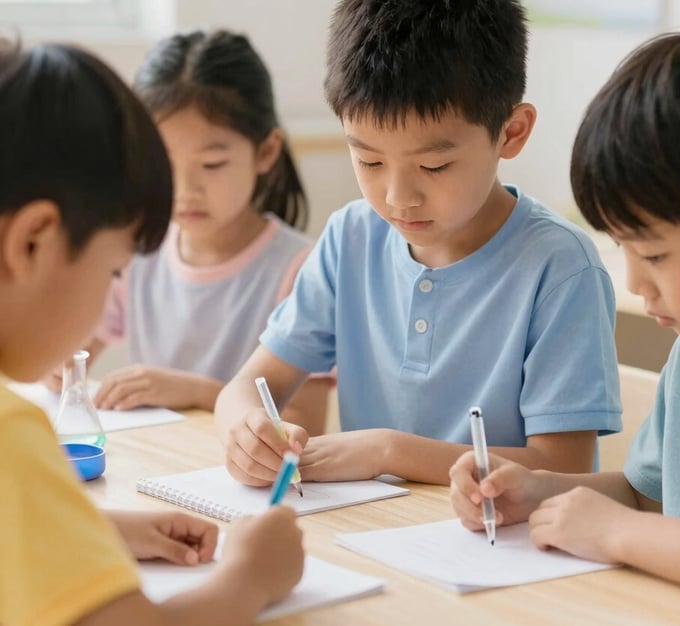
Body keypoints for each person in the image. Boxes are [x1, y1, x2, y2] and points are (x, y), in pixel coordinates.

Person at [215, 0, 621, 487]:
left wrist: (387, 451)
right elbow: (244, 388)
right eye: (368, 162)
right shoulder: (350, 237)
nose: (397, 198)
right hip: (369, 535)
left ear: (511, 133)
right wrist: (245, 431)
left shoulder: (559, 269)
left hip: (502, 549)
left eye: (434, 167)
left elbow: (564, 469)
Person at [449, 26, 680, 608]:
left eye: (654, 254)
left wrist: (616, 533)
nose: (635, 282)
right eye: (622, 249)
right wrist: (542, 491)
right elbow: (651, 496)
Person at [0, 39, 303, 625]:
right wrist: (250, 579)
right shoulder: (13, 437)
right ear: (32, 242)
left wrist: (94, 530)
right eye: (115, 268)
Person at [58, 30, 332, 421]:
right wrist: (60, 364)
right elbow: (72, 351)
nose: (185, 190)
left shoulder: (301, 270)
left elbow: (306, 424)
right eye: (165, 165)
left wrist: (195, 391)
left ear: (266, 151)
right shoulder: (138, 252)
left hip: (244, 479)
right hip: (155, 467)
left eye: (212, 165)